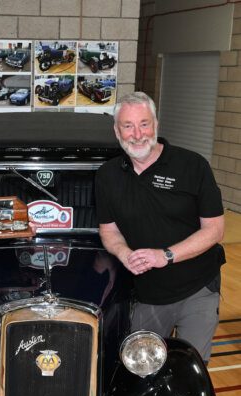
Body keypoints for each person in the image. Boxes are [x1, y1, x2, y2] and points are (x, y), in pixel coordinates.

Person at [95, 91, 225, 365]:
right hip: (148, 294)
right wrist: (124, 254)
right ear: (117, 131)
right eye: (128, 126)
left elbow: (214, 230)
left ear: (156, 124)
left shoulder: (193, 165)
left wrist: (164, 255)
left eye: (144, 123)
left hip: (197, 288)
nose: (137, 134)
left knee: (190, 371)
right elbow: (109, 231)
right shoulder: (107, 175)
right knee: (142, 370)